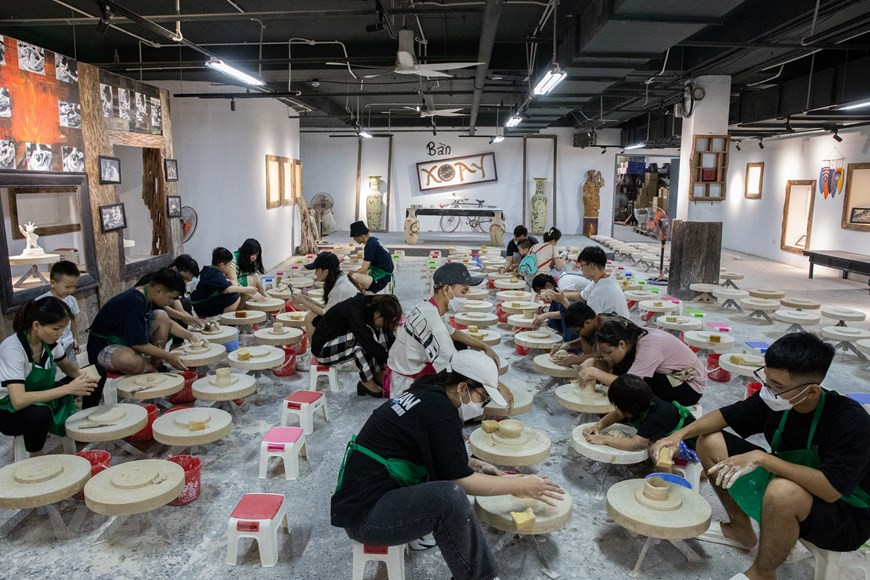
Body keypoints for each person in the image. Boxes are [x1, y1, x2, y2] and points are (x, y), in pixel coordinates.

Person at [651, 333, 870, 580]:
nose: (768, 391)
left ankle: (763, 572)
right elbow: (725, 415)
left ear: (811, 391)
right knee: (710, 441)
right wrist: (678, 435)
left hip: (846, 514)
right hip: (790, 482)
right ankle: (740, 528)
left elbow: (831, 490)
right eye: (766, 379)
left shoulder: (849, 421)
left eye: (777, 386)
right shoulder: (778, 399)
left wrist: (762, 458)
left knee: (782, 491)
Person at [331, 350, 565, 580]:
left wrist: (475, 465)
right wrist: (522, 485)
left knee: (451, 483)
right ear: (462, 387)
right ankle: (480, 577)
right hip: (366, 518)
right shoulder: (441, 411)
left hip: (368, 497)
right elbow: (461, 481)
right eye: (483, 397)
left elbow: (439, 453)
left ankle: (421, 537)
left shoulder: (427, 392)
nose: (483, 405)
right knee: (450, 499)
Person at [386, 263, 503, 398]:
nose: (465, 297)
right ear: (446, 289)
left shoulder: (428, 304)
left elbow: (453, 332)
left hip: (407, 369)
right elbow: (456, 364)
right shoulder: (432, 319)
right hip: (406, 385)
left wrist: (484, 346)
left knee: (460, 346)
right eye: (463, 292)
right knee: (461, 391)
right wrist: (496, 386)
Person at [87, 268, 201, 405]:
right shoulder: (134, 300)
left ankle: (156, 365)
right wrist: (169, 356)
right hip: (103, 345)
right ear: (159, 291)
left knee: (162, 316)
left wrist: (191, 336)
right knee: (128, 360)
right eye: (171, 298)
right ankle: (150, 369)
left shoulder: (149, 296)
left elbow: (169, 324)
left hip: (125, 340)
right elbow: (138, 344)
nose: (171, 302)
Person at [0, 297, 97, 454]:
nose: (60, 334)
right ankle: (36, 455)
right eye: (56, 328)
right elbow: (18, 400)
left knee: (97, 373)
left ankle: (85, 427)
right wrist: (69, 389)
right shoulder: (13, 349)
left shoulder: (49, 342)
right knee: (40, 414)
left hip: (43, 393)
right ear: (36, 325)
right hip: (10, 410)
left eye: (63, 328)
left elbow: (66, 366)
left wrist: (83, 377)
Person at [579, 317, 705, 406]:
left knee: (633, 388)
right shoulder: (632, 336)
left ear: (622, 344)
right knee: (622, 369)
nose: (607, 357)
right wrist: (593, 361)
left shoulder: (648, 348)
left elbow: (628, 383)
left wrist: (595, 372)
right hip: (671, 375)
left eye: (609, 353)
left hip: (689, 388)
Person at [311, 294, 402, 396]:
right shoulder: (354, 309)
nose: (386, 324)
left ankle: (379, 374)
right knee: (360, 339)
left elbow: (389, 337)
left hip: (338, 343)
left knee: (380, 332)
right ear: (377, 313)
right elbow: (368, 342)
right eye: (385, 321)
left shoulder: (371, 308)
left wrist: (397, 361)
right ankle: (367, 382)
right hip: (322, 350)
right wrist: (389, 361)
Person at [583, 374, 696, 453]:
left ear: (631, 407)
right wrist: (598, 426)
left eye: (618, 406)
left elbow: (635, 444)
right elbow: (617, 414)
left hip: (689, 442)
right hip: (667, 431)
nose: (617, 409)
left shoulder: (655, 416)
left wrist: (603, 439)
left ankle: (663, 478)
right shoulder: (641, 400)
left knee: (656, 449)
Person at [292, 252, 361, 370]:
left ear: (326, 271)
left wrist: (304, 302)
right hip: (347, 321)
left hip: (350, 331)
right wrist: (308, 301)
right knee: (312, 314)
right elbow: (329, 308)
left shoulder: (340, 289)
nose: (315, 273)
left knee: (310, 318)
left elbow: (326, 313)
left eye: (317, 270)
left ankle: (317, 355)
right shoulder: (341, 280)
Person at [137, 254, 202, 334]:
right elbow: (162, 309)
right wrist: (184, 318)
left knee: (185, 303)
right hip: (143, 316)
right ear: (174, 268)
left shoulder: (173, 284)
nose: (184, 282)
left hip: (157, 312)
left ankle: (179, 340)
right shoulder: (158, 280)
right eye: (184, 278)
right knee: (164, 316)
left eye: (188, 280)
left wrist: (196, 321)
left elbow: (180, 310)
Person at [37, 260, 81, 369]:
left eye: (74, 287)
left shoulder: (71, 300)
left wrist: (75, 338)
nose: (71, 290)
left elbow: (73, 320)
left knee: (73, 369)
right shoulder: (41, 302)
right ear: (53, 283)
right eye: (67, 287)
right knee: (50, 371)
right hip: (49, 345)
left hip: (68, 342)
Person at [191, 247, 258, 318]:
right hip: (201, 306)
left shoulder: (208, 269)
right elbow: (229, 289)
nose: (229, 267)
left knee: (234, 288)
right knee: (235, 296)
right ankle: (224, 320)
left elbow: (230, 283)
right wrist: (247, 289)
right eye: (229, 265)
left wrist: (251, 294)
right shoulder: (215, 274)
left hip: (198, 304)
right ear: (222, 265)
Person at [531, 272, 590, 340]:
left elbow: (569, 310)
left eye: (541, 293)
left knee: (558, 301)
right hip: (581, 307)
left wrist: (546, 315)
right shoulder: (559, 284)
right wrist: (545, 311)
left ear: (548, 285)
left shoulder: (563, 283)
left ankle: (569, 340)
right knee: (556, 300)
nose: (542, 297)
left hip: (587, 314)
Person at [575, 246, 629, 318]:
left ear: (592, 266)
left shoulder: (599, 292)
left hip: (613, 325)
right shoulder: (606, 279)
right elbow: (581, 296)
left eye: (582, 266)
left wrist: (563, 301)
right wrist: (560, 296)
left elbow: (588, 321)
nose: (581, 269)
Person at [548, 303, 600, 367]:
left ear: (587, 322)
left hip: (609, 369)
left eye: (577, 331)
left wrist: (575, 360)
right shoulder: (590, 326)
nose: (576, 334)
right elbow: (585, 339)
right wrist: (567, 345)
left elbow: (602, 354)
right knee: (583, 337)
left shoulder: (607, 327)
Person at [348, 221, 394, 293]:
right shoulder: (374, 240)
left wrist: (351, 274)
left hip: (382, 278)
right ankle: (362, 292)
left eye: (354, 237)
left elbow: (363, 270)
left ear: (361, 236)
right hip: (382, 272)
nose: (354, 239)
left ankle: (362, 295)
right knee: (355, 273)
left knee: (353, 277)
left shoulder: (370, 246)